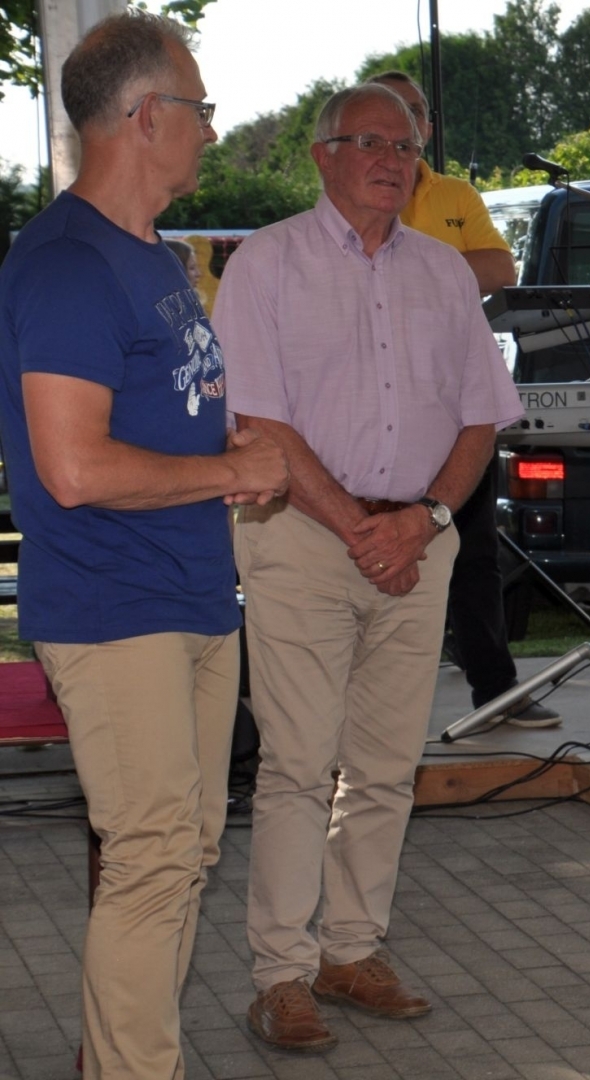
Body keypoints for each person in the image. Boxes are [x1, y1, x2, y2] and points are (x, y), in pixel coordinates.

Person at [0, 12, 289, 1077]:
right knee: (157, 859)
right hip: (116, 607)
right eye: (201, 107)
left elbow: (154, 412)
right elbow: (73, 469)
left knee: (183, 854)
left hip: (192, 596)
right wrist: (230, 473)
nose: (214, 129)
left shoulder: (152, 257)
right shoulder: (69, 266)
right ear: (146, 116)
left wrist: (227, 442)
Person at [212, 83, 522, 1052]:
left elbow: (480, 416)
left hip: (417, 545)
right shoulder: (266, 263)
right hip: (304, 542)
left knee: (387, 768)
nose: (394, 159)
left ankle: (352, 950)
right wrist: (359, 527)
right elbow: (258, 421)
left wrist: (422, 520)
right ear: (322, 155)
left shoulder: (443, 274)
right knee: (300, 766)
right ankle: (281, 976)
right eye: (371, 143)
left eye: (407, 147)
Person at [364, 70, 558, 729]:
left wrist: (409, 268)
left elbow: (500, 271)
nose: (407, 128)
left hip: (453, 399)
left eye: (416, 115)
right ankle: (363, 708)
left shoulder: (454, 194)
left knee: (473, 547)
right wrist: (442, 271)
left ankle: (495, 692)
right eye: (391, 116)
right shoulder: (353, 189)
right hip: (371, 404)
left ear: (429, 128)